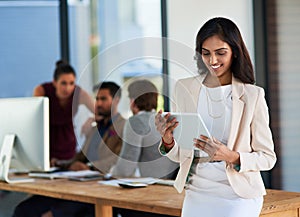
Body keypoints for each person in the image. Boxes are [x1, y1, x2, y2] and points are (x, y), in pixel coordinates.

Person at [155, 17, 277, 217]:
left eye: (221, 53)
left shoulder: (253, 95)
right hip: (197, 190)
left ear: (235, 52)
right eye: (206, 53)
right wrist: (168, 141)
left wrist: (230, 156)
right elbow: (181, 154)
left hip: (238, 194)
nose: (213, 61)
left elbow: (268, 158)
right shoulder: (184, 88)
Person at [13, 81, 126, 217]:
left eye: (103, 99)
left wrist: (89, 167)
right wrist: (61, 163)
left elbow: (121, 158)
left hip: (100, 188)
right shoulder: (95, 129)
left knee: (52, 214)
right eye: (97, 99)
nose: (98, 103)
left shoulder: (124, 127)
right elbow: (80, 156)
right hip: (79, 184)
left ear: (116, 100)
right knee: (24, 209)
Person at [111, 79, 178, 217]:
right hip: (172, 192)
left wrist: (111, 172)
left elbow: (126, 167)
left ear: (132, 101)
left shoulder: (136, 121)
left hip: (150, 195)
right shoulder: (168, 120)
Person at [33, 60, 94, 165]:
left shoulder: (79, 93)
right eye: (63, 83)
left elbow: (101, 111)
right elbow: (33, 118)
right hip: (45, 144)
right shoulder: (41, 91)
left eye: (72, 83)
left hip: (68, 145)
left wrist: (91, 119)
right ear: (54, 82)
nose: (68, 88)